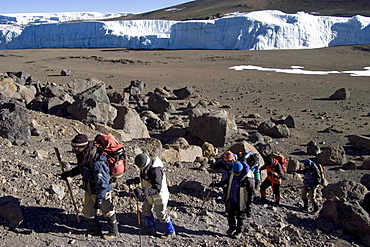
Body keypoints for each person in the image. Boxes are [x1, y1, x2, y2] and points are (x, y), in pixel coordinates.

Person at [60, 134, 118, 240]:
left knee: (107, 211)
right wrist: (69, 174)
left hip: (101, 191)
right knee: (88, 211)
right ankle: (95, 230)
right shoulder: (84, 156)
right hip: (89, 188)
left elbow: (103, 182)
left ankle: (113, 232)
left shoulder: (97, 161)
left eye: (76, 147)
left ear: (82, 146)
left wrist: (100, 199)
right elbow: (82, 168)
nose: (74, 150)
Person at [132, 153, 176, 239]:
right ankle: (151, 228)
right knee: (145, 210)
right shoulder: (146, 168)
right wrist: (135, 181)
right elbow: (146, 179)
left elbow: (157, 189)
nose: (139, 168)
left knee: (161, 215)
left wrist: (143, 192)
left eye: (139, 166)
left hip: (159, 196)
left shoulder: (156, 171)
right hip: (150, 196)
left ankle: (170, 231)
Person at [224, 161, 255, 239]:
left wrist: (249, 205)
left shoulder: (248, 178)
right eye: (234, 173)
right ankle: (232, 227)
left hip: (242, 200)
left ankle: (239, 231)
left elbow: (251, 192)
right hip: (232, 198)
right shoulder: (233, 173)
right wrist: (217, 184)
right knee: (230, 214)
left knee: (240, 217)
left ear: (241, 171)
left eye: (236, 173)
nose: (235, 174)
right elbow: (227, 182)